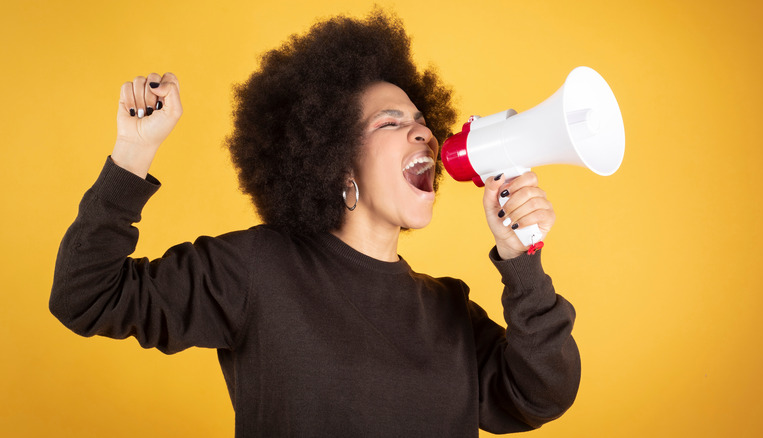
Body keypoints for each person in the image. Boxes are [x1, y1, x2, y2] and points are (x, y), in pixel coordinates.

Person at [50, 10, 580, 437]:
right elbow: (85, 294)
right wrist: (132, 153)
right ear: (335, 160)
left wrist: (522, 265)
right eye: (390, 121)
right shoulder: (259, 270)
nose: (423, 134)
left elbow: (539, 395)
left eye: (422, 122)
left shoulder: (448, 310)